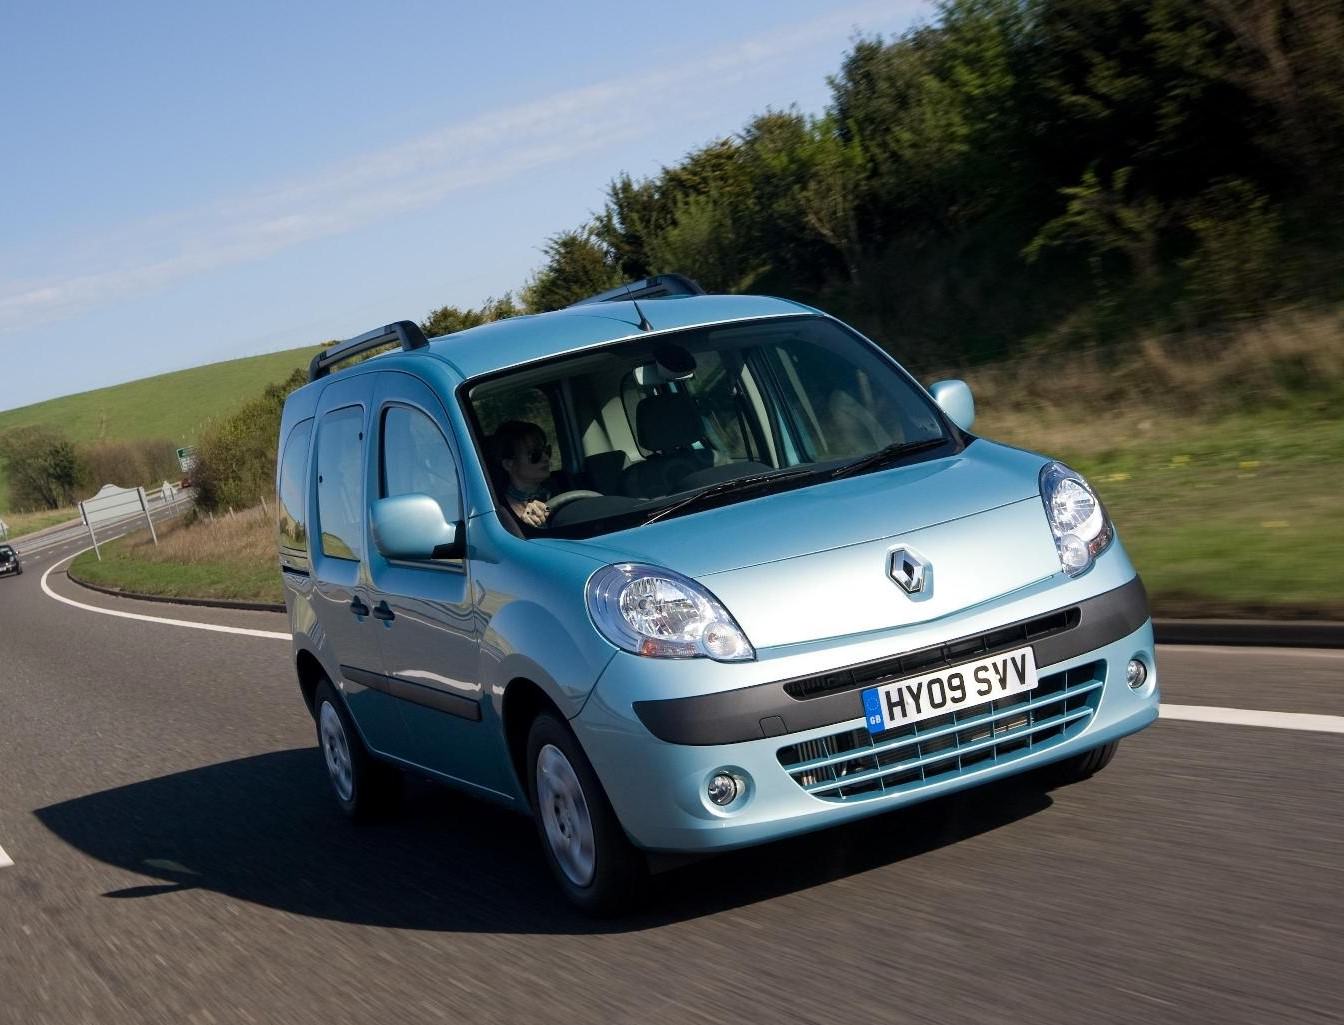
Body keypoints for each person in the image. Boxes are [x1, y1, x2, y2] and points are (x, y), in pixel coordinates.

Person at [492, 420, 552, 527]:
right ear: (508, 464)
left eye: (547, 451)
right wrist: (527, 523)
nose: (546, 458)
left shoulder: (565, 485)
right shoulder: (497, 511)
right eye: (535, 454)